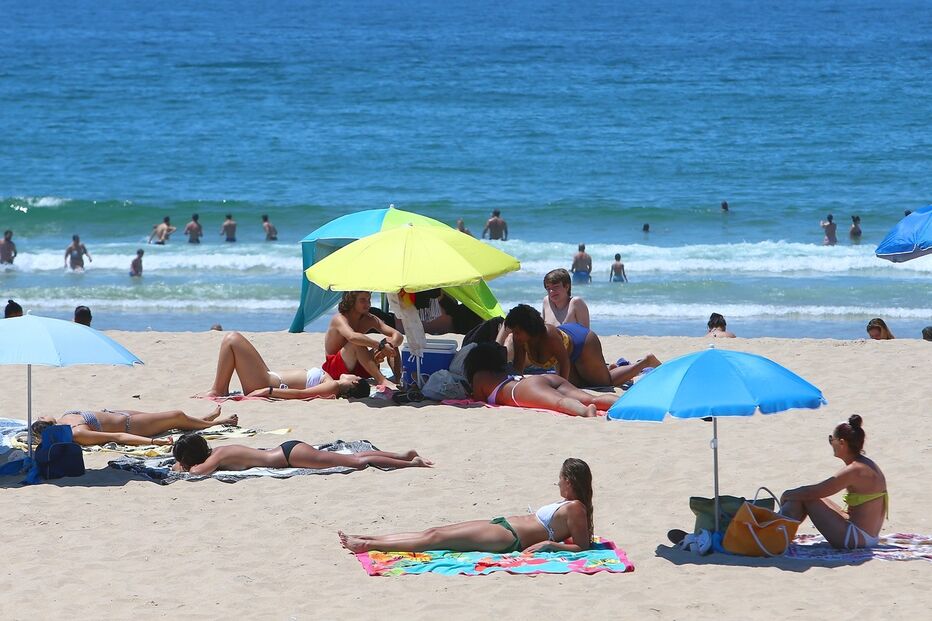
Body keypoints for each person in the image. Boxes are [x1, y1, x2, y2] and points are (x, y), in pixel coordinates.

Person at [339, 458, 594, 554]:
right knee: (433, 531)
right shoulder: (569, 504)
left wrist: (549, 544)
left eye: (560, 478)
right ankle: (369, 537)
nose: (557, 482)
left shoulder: (576, 508)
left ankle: (367, 545)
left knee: (436, 538)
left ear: (569, 481)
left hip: (508, 537)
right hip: (503, 526)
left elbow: (582, 546)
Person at [780, 415, 887, 549]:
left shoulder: (854, 470)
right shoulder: (867, 464)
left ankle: (775, 534)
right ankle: (778, 531)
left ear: (842, 443)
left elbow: (814, 491)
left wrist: (786, 494)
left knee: (804, 496)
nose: (831, 443)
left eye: (832, 439)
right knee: (804, 495)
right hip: (867, 536)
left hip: (855, 538)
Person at [504, 304, 660, 388]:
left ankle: (645, 362)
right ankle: (609, 369)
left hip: (583, 342)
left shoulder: (548, 336)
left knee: (604, 383)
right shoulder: (520, 340)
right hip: (566, 349)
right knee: (580, 385)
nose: (515, 336)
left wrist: (560, 388)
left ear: (529, 327)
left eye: (518, 331)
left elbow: (564, 362)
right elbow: (519, 369)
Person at [200, 331, 370, 399]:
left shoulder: (332, 386)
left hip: (265, 382)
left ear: (354, 382)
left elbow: (300, 394)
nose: (354, 374)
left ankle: (219, 389)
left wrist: (268, 391)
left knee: (232, 339)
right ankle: (220, 389)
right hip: (265, 378)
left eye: (356, 376)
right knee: (232, 342)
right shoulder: (331, 382)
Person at [466, 343, 617, 417]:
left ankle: (585, 412)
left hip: (522, 390)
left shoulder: (480, 376)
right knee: (591, 398)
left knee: (559, 403)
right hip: (541, 379)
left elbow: (479, 400)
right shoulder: (503, 369)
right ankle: (623, 402)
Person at [171, 433, 431, 475]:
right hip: (288, 449)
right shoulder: (218, 450)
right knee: (351, 457)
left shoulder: (216, 457)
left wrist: (180, 467)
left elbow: (198, 473)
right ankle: (401, 454)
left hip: (289, 457)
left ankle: (410, 463)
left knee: (355, 461)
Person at [31, 406, 238, 447]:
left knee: (172, 419)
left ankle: (202, 419)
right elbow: (118, 437)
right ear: (49, 424)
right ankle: (214, 423)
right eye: (41, 417)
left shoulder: (63, 419)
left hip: (121, 414)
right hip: (132, 427)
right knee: (176, 415)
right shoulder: (78, 433)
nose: (41, 413)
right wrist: (153, 441)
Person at [324, 291, 403, 388]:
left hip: (361, 367)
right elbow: (352, 337)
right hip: (335, 370)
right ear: (351, 302)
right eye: (362, 300)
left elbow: (398, 335)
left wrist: (388, 347)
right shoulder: (340, 319)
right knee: (356, 342)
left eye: (368, 300)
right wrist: (380, 346)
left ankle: (399, 379)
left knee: (389, 341)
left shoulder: (368, 318)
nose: (368, 304)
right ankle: (381, 380)